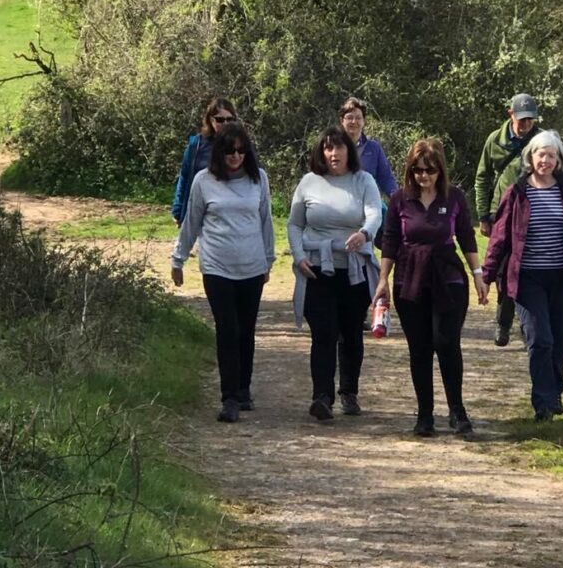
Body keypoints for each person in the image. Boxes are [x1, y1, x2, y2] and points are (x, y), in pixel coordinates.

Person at [374, 139, 489, 437]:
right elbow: (390, 241)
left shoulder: (455, 198)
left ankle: (457, 411)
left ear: (440, 171)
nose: (423, 176)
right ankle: (425, 414)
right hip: (409, 278)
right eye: (417, 170)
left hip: (448, 278)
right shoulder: (399, 200)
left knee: (446, 342)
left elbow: (466, 237)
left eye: (430, 170)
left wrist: (478, 275)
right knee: (420, 348)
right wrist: (383, 279)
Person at [482, 130, 563, 422]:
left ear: (559, 160)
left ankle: (554, 390)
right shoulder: (516, 193)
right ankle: (543, 403)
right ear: (531, 158)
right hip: (527, 278)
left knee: (559, 339)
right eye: (541, 154)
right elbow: (499, 238)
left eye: (551, 155)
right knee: (540, 338)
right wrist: (487, 274)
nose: (545, 160)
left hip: (562, 278)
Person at [171, 122, 275, 423]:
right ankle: (229, 397)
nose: (235, 156)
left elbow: (266, 220)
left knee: (246, 330)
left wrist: (268, 260)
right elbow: (191, 221)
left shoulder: (259, 179)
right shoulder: (204, 181)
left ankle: (243, 389)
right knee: (227, 329)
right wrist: (178, 259)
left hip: (251, 266)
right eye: (230, 151)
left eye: (241, 151)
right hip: (217, 267)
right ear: (219, 152)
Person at [288, 127, 382, 421]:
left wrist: (365, 234)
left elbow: (375, 213)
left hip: (353, 270)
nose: (333, 154)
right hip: (318, 268)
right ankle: (322, 397)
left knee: (351, 332)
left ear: (348, 151)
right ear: (321, 152)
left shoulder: (363, 181)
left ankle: (349, 392)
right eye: (328, 148)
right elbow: (294, 224)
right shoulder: (308, 182)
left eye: (339, 148)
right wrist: (299, 256)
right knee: (323, 332)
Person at [474, 93, 542, 347]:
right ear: (510, 114)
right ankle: (503, 322)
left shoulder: (542, 140)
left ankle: (528, 327)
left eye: (530, 120)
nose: (526, 124)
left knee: (529, 270)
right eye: (522, 119)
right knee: (503, 270)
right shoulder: (495, 140)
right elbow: (482, 177)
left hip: (533, 212)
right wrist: (483, 215)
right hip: (501, 213)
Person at [172, 97, 239, 225]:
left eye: (230, 119)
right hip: (199, 212)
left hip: (230, 214)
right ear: (210, 120)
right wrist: (178, 209)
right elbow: (185, 176)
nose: (225, 123)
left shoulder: (241, 146)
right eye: (220, 120)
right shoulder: (196, 145)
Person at [339, 96, 398, 198]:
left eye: (358, 118)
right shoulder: (333, 148)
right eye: (349, 118)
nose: (354, 121)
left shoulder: (373, 148)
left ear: (364, 121)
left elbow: (386, 179)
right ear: (342, 120)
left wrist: (398, 200)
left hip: (369, 202)